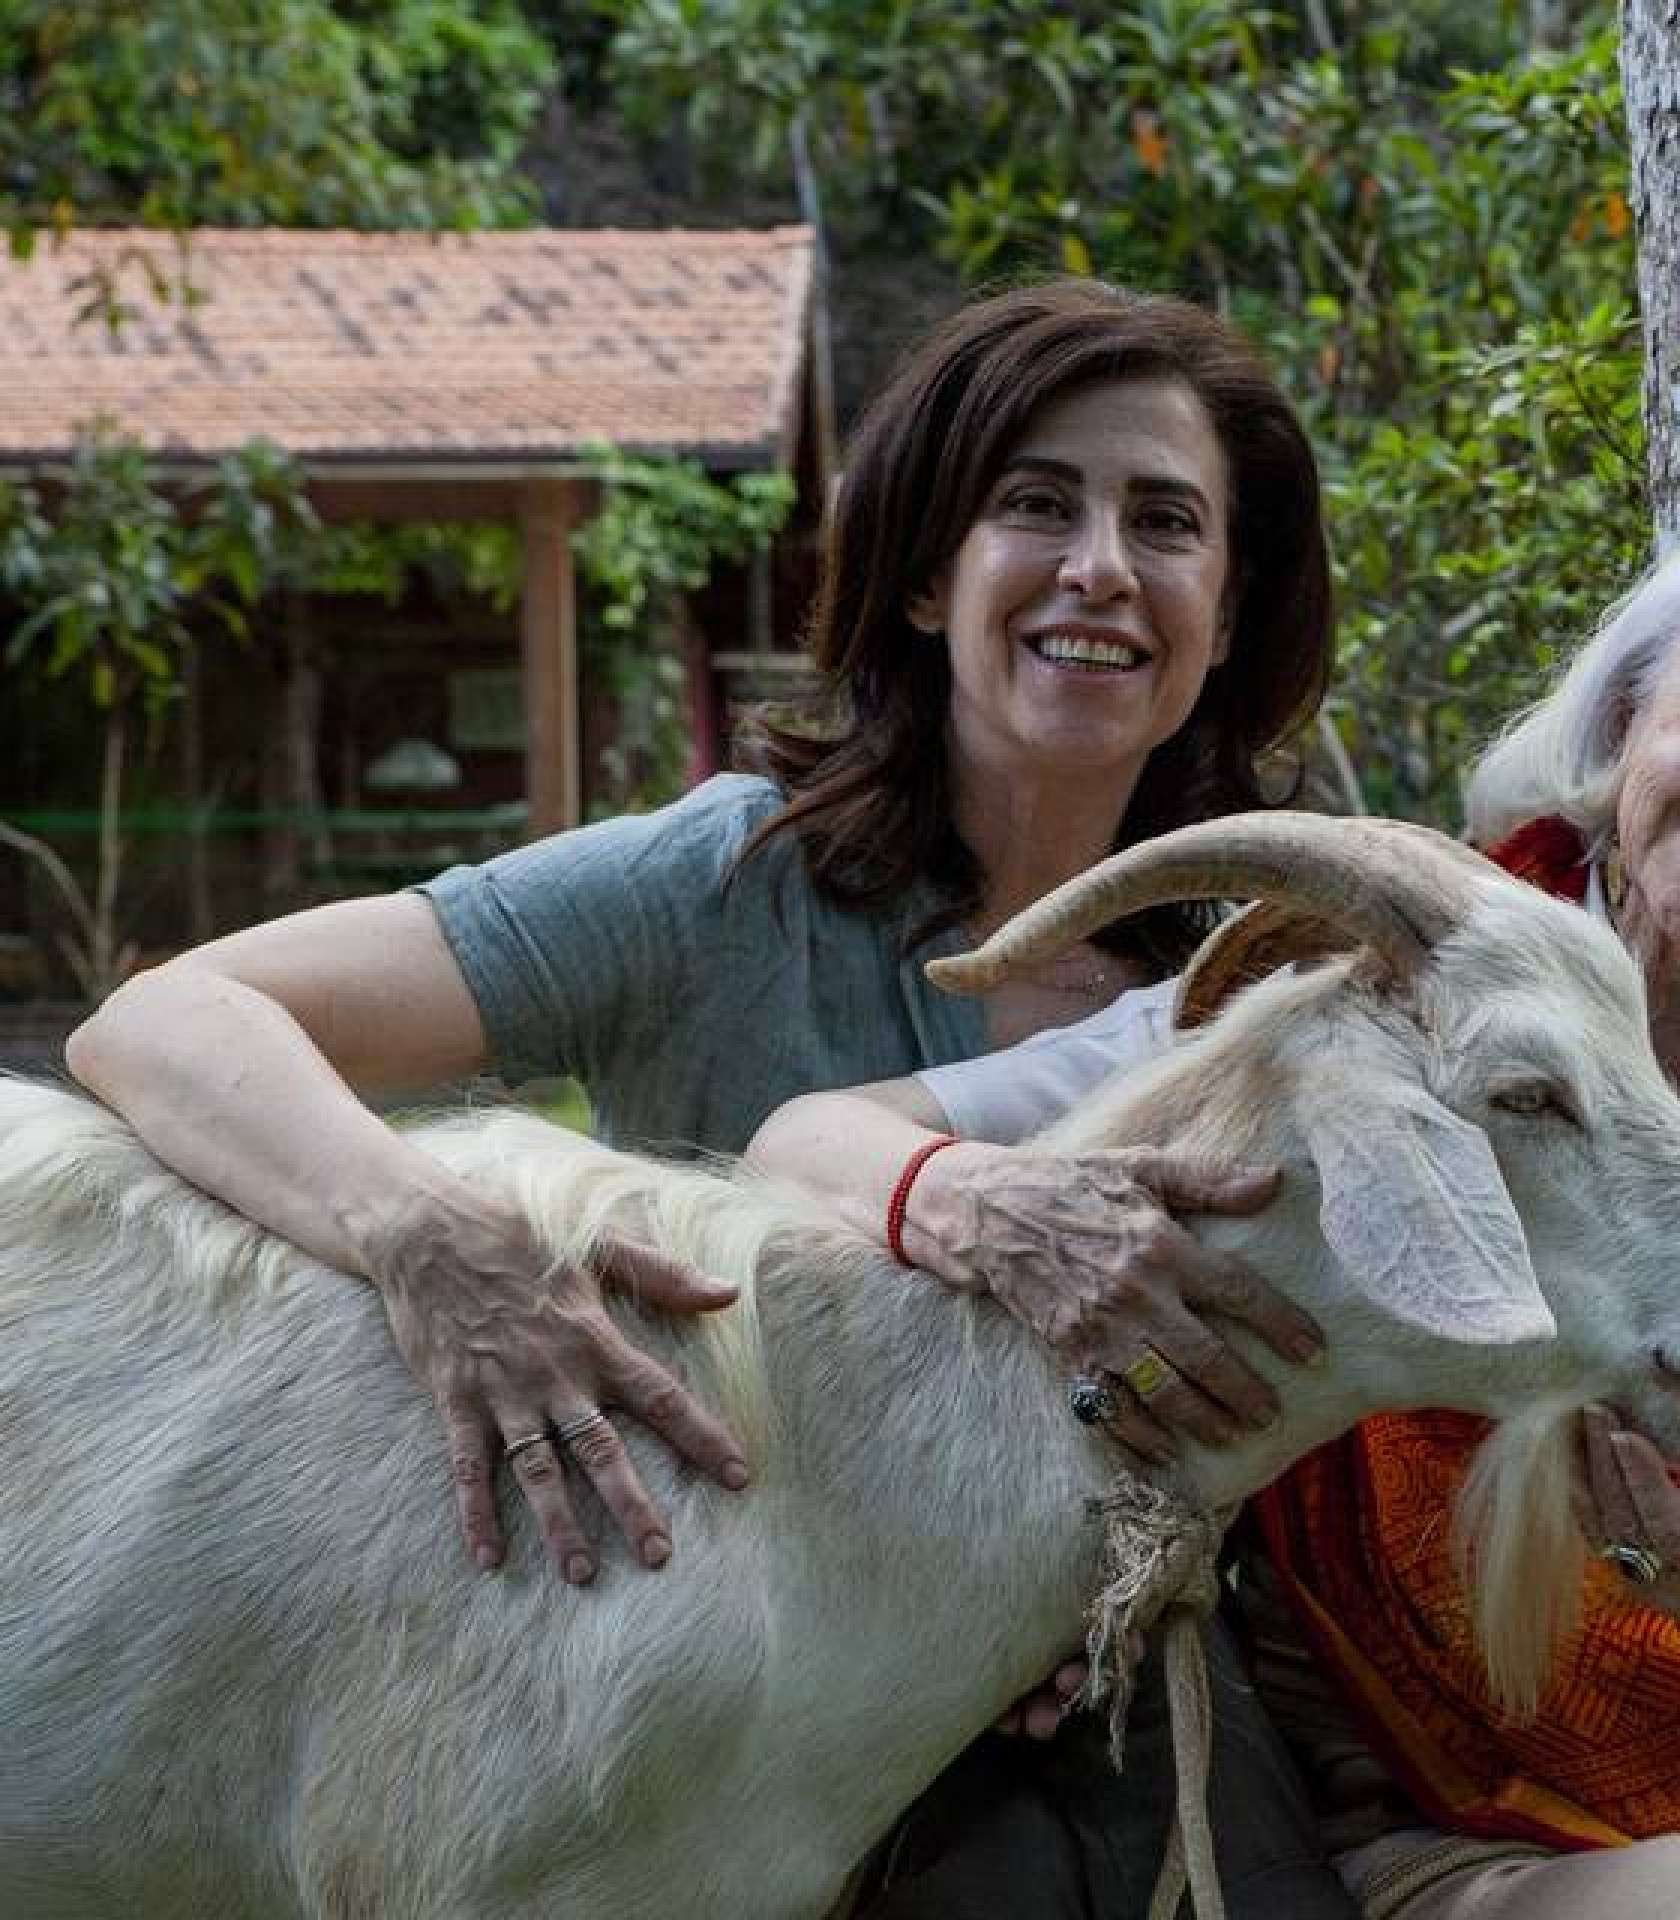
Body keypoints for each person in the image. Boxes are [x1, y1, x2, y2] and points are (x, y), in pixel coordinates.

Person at [64, 277, 1361, 1919]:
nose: (1100, 566)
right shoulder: (730, 882)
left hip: (1110, 1703)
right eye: (1036, 505)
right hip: (681, 1694)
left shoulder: (1252, 985)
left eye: (1166, 523)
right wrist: (424, 1235)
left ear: (1230, 612)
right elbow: (170, 1017)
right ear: (917, 579)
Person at [749, 492, 1680, 1919]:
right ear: (1630, 715)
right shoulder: (1374, 990)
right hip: (1369, 1846)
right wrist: (988, 1209)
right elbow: (808, 1144)